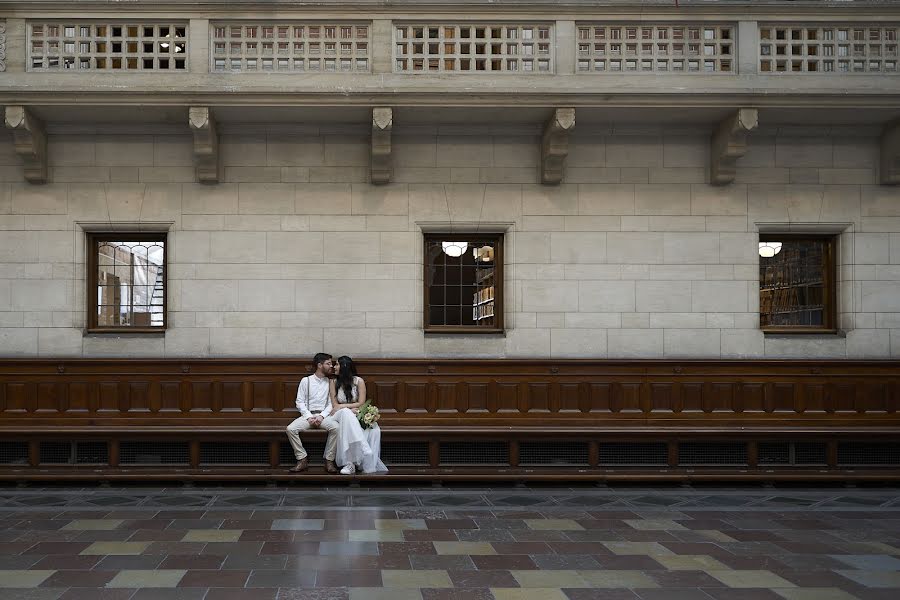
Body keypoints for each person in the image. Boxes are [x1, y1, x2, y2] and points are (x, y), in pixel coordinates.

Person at [328, 355, 387, 475]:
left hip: (353, 414)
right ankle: (363, 448)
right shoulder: (333, 382)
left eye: (337, 364)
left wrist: (345, 407)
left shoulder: (359, 381)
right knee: (345, 413)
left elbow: (361, 403)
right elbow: (335, 405)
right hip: (337, 415)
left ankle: (351, 463)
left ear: (344, 367)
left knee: (372, 429)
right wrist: (348, 409)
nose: (334, 367)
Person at [285, 352, 340, 473]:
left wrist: (321, 416)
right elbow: (299, 401)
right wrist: (309, 417)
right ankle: (302, 459)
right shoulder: (306, 381)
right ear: (320, 365)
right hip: (307, 416)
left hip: (325, 416)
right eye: (328, 363)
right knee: (291, 429)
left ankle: (329, 460)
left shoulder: (331, 382)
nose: (331, 366)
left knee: (336, 428)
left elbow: (332, 403)